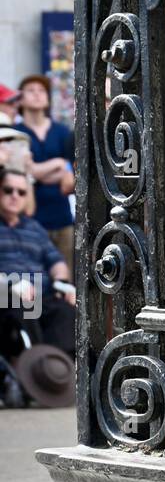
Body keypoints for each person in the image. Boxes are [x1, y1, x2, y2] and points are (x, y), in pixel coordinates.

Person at [0, 164, 76, 406]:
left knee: (66, 312)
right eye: (8, 190)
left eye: (21, 192)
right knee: (24, 307)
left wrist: (64, 284)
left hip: (40, 293)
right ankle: (29, 376)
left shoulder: (35, 229)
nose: (15, 196)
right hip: (7, 294)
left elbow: (55, 261)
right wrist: (10, 285)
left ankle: (54, 376)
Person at [14, 75, 76, 275]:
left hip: (62, 217)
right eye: (31, 90)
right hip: (29, 218)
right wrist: (57, 164)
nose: (37, 94)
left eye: (41, 91)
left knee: (65, 278)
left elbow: (69, 178)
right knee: (33, 278)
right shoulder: (16, 133)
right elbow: (22, 170)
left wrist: (35, 171)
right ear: (21, 99)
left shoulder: (61, 132)